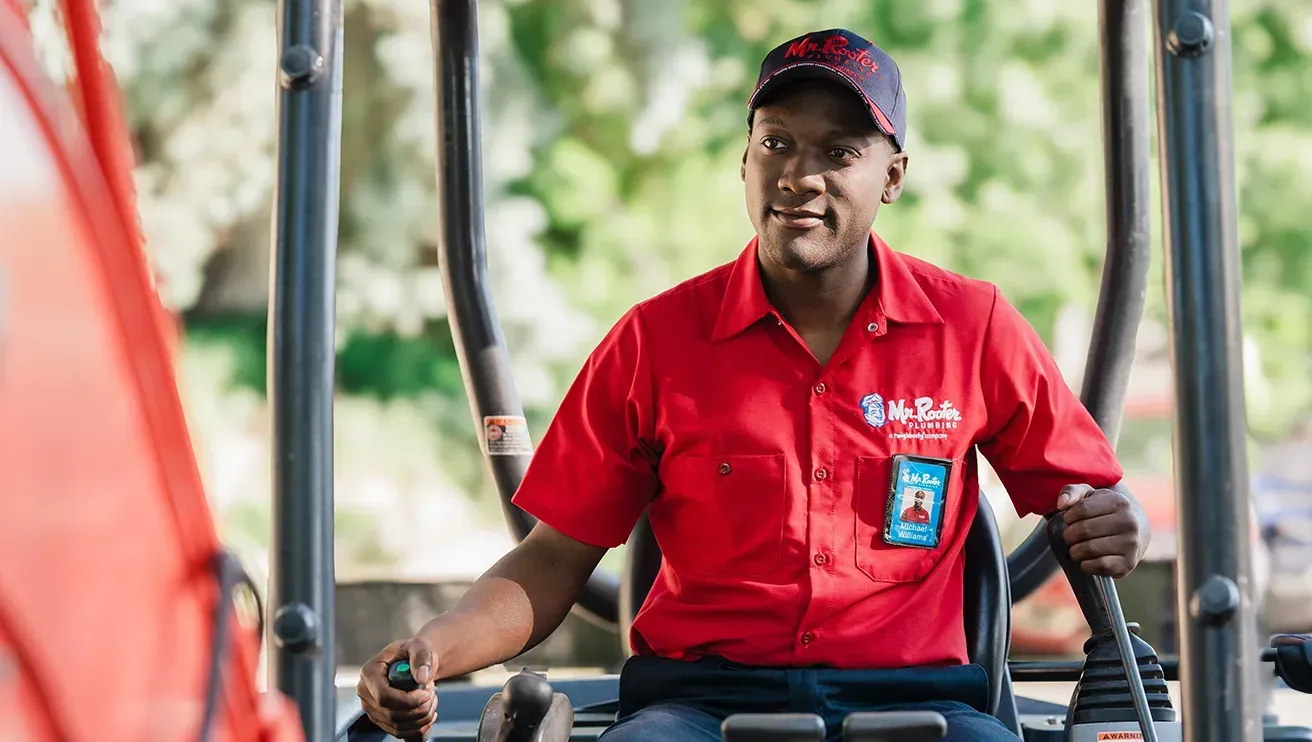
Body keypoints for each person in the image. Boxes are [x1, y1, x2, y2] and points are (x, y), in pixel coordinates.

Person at [356, 27, 1151, 742]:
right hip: (697, 709)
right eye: (777, 142)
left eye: (839, 152)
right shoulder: (654, 342)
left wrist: (1122, 525)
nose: (800, 175)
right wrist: (436, 647)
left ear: (893, 176)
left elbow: (1093, 505)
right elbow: (553, 559)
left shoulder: (972, 328)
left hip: (923, 705)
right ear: (745, 160)